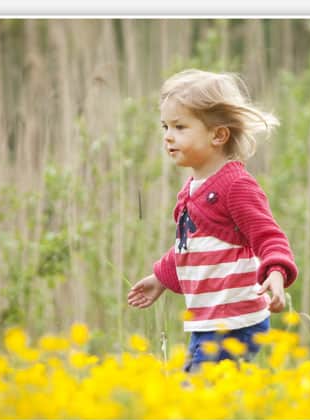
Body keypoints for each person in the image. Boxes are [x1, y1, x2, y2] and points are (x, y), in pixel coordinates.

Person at [127, 69, 298, 373]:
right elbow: (191, 247)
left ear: (218, 135)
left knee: (199, 394)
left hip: (235, 323)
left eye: (180, 127)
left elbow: (268, 235)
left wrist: (276, 271)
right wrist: (161, 278)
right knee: (196, 393)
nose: (168, 136)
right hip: (207, 321)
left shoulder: (236, 185)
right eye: (165, 126)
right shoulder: (192, 190)